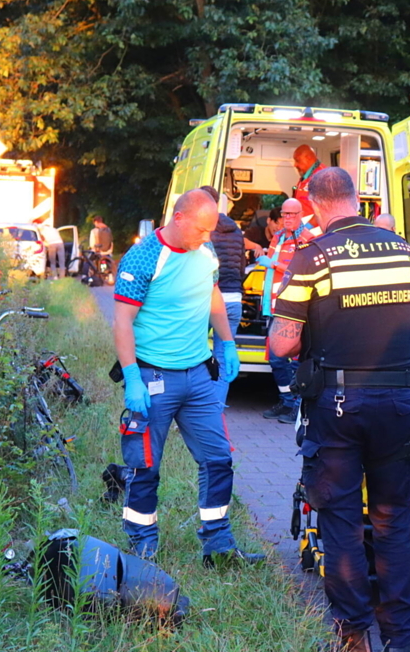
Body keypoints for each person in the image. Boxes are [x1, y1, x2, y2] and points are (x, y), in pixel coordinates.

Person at [268, 167, 410, 652]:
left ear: (314, 204)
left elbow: (282, 344)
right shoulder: (406, 252)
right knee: (393, 521)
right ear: (355, 199)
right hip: (400, 403)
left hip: (338, 406)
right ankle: (402, 637)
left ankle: (353, 633)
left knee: (341, 520)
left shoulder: (312, 257)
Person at [112, 189, 263, 568]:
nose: (207, 237)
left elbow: (212, 295)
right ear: (178, 218)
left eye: (211, 230)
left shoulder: (205, 251)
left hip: (198, 377)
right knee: (144, 466)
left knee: (218, 460)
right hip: (153, 376)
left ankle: (219, 547)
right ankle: (142, 550)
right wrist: (132, 376)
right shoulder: (144, 258)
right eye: (201, 229)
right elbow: (122, 321)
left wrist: (228, 343)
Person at [255, 198, 315, 423]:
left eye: (292, 214)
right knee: (275, 359)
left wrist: (272, 264)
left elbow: (304, 270)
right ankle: (287, 400)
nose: (287, 218)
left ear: (300, 215)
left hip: (293, 308)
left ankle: (297, 406)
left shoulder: (307, 237)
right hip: (273, 306)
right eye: (284, 214)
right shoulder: (278, 236)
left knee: (295, 360)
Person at [209, 209, 245, 408]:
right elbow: (242, 266)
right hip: (233, 300)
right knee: (223, 359)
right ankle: (216, 411)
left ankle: (194, 409)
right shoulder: (237, 231)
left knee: (191, 354)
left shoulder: (204, 229)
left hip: (209, 299)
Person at [292, 144, 326, 220]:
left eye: (297, 160)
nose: (295, 165)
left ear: (308, 158)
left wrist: (308, 225)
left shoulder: (323, 177)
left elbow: (324, 210)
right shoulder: (305, 177)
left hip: (315, 227)